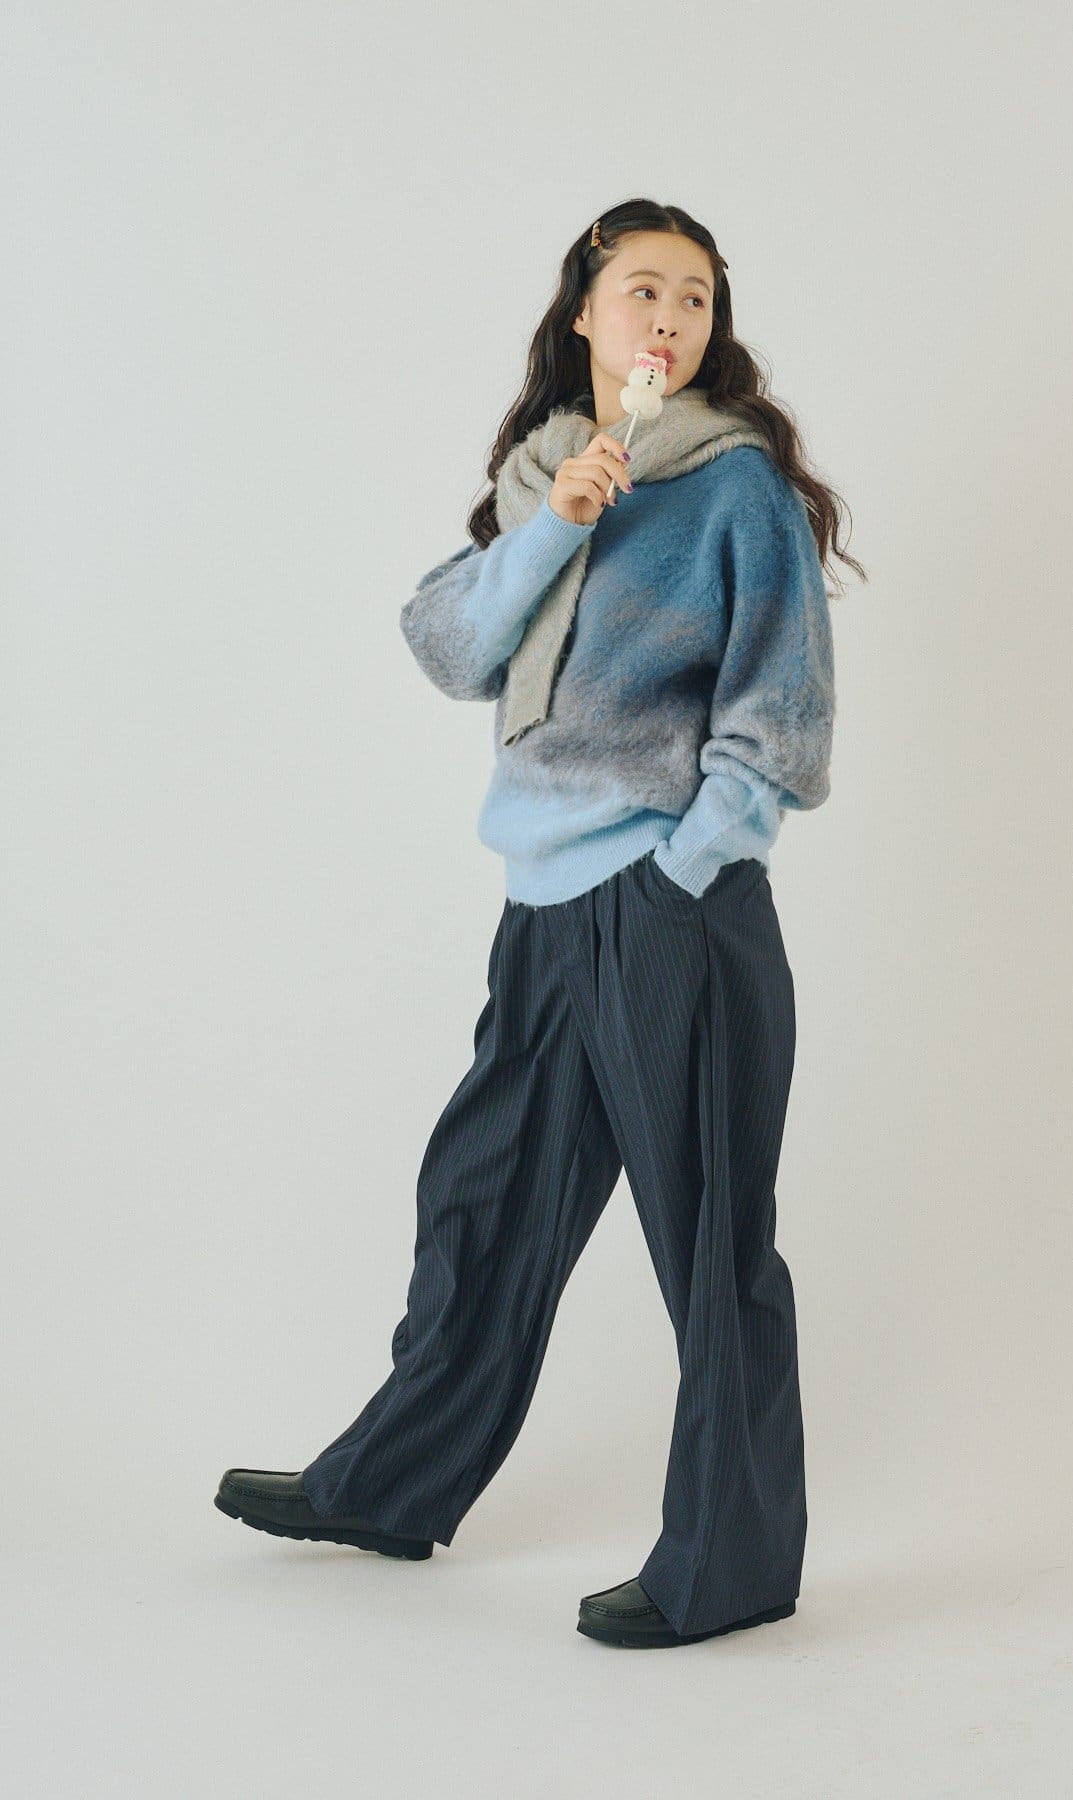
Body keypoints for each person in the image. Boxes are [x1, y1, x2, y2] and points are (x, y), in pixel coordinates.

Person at [214, 198, 865, 1648]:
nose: (669, 318)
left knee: (710, 1243)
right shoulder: (547, 475)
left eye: (695, 297)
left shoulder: (737, 488)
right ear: (585, 311)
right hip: (543, 912)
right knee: (485, 1203)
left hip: (670, 910)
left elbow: (784, 717)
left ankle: (731, 1569)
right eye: (644, 290)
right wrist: (559, 521)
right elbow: (448, 646)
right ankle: (388, 1487)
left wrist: (689, 867)